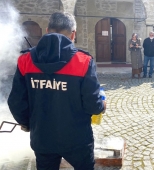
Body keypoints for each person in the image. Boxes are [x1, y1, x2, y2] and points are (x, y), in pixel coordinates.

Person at [7, 12, 106, 170]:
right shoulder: (83, 61)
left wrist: (27, 123)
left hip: (42, 137)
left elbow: (16, 101)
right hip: (77, 138)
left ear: (47, 30)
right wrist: (102, 105)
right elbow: (93, 105)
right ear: (73, 34)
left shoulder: (25, 60)